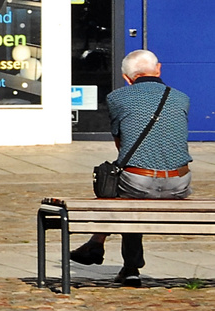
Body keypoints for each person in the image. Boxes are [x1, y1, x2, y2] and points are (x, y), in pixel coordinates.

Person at [71, 48, 192, 286]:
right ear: (158, 69)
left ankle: (121, 261)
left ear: (127, 78)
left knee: (121, 189)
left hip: (140, 182)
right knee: (127, 191)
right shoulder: (182, 97)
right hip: (179, 183)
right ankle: (97, 245)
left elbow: (122, 144)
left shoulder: (117, 97)